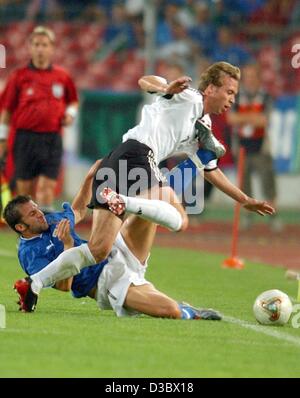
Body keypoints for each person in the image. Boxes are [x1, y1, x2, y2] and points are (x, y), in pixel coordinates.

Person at [9, 62, 275, 303]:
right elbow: (146, 81)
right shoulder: (189, 97)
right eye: (229, 91)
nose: (232, 98)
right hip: (140, 155)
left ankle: (35, 283)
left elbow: (212, 172)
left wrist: (245, 200)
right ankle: (126, 202)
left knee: (98, 250)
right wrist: (167, 87)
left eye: (234, 93)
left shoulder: (202, 126)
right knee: (180, 220)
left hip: (119, 158)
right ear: (211, 89)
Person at [5, 161, 221, 321]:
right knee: (171, 311)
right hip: (105, 283)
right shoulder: (30, 255)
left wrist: (90, 177)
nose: (40, 214)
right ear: (21, 227)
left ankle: (196, 161)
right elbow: (64, 286)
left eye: (36, 208)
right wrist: (67, 245)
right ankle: (189, 311)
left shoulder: (50, 221)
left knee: (154, 201)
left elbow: (78, 209)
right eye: (32, 214)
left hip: (115, 249)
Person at [0, 26, 78, 212]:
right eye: (36, 44)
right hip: (25, 139)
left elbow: (73, 101)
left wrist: (70, 115)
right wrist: (2, 139)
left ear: (52, 48)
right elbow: (7, 111)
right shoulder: (19, 76)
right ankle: (26, 237)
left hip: (52, 139)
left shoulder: (62, 76)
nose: (40, 49)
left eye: (44, 45)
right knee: (24, 193)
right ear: (30, 47)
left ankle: (45, 237)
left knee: (46, 189)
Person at [227, 63, 281, 231]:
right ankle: (248, 216)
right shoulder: (237, 95)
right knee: (244, 185)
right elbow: (231, 119)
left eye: (252, 76)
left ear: (258, 78)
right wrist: (252, 117)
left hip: (261, 147)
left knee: (267, 183)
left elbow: (264, 120)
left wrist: (243, 117)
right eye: (247, 77)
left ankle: (272, 217)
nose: (249, 80)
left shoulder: (265, 96)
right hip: (241, 147)